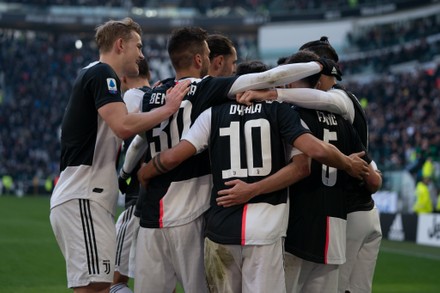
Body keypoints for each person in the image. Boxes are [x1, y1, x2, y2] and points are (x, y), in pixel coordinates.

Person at [118, 26, 353, 293]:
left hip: (163, 215)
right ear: (199, 59)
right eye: (207, 54)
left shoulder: (155, 96)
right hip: (197, 213)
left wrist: (136, 172)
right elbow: (274, 80)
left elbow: (142, 142)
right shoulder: (214, 93)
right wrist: (317, 64)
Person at [49, 17, 190, 293]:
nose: (141, 54)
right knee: (96, 288)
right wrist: (168, 108)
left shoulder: (93, 73)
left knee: (102, 286)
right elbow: (123, 126)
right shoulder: (103, 73)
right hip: (83, 196)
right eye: (138, 46)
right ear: (120, 44)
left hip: (88, 197)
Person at [237, 36, 383, 293]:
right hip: (343, 221)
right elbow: (374, 179)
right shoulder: (345, 119)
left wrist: (273, 93)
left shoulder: (326, 103)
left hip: (312, 222)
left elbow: (302, 162)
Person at [111, 58, 152, 293]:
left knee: (115, 282)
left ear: (123, 79)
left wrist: (124, 174)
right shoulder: (158, 95)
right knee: (160, 281)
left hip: (136, 199)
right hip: (156, 201)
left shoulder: (131, 97)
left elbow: (138, 141)